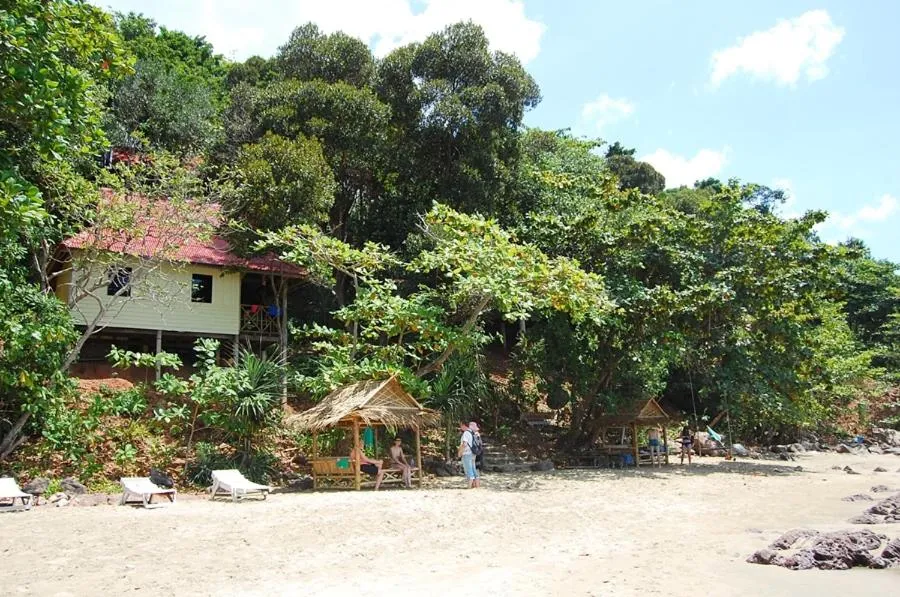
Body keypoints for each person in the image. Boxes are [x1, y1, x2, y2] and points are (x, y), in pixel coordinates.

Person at [458, 421, 480, 488]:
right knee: (474, 470)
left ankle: (469, 487)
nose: (460, 427)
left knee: (469, 470)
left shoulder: (466, 433)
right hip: (473, 453)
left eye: (461, 426)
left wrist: (460, 453)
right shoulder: (473, 433)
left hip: (467, 454)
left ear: (464, 425)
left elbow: (464, 444)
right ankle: (477, 486)